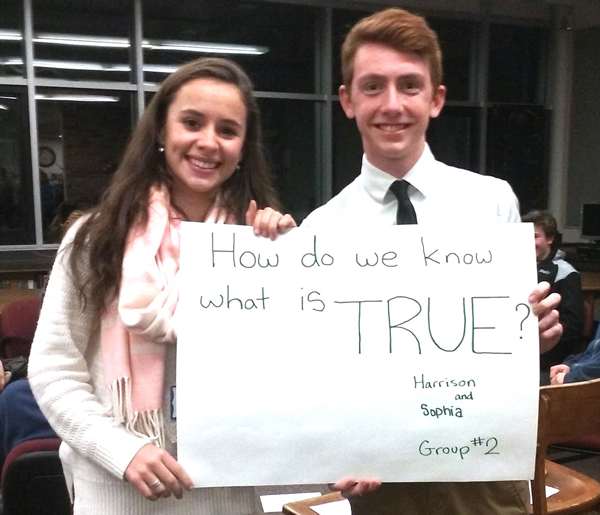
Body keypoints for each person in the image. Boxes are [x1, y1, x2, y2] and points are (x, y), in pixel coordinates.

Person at [301, 8, 562, 515]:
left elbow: (507, 336)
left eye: (410, 85)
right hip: (379, 477)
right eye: (372, 86)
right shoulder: (321, 232)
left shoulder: (493, 202)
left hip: (482, 467)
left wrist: (532, 335)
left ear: (436, 99)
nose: (391, 104)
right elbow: (320, 374)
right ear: (347, 101)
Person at [28, 57, 296, 515]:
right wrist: (122, 449)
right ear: (159, 131)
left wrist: (283, 258)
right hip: (120, 492)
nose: (208, 142)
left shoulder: (257, 246)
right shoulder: (96, 237)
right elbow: (54, 369)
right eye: (191, 122)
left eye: (228, 130)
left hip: (227, 492)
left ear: (243, 148)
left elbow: (295, 374)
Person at [522, 210, 584, 373]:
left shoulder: (566, 273)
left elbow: (573, 326)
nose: (528, 241)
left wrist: (543, 340)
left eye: (535, 236)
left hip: (549, 359)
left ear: (549, 238)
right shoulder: (516, 268)